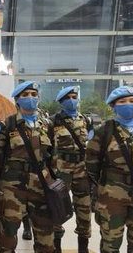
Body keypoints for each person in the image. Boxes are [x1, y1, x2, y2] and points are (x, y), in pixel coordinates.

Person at [0, 81, 56, 252]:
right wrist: (1, 184)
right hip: (12, 188)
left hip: (42, 187)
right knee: (8, 235)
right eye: (25, 95)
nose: (30, 98)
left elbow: (54, 156)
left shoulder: (47, 125)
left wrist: (53, 180)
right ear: (17, 100)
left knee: (46, 235)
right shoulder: (6, 126)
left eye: (33, 95)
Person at [86, 86, 133, 252]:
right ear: (114, 106)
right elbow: (91, 164)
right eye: (122, 101)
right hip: (111, 195)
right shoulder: (104, 131)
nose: (128, 104)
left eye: (132, 101)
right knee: (110, 243)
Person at [49, 86, 92, 253]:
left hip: (82, 170)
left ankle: (83, 245)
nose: (72, 100)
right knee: (57, 206)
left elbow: (91, 143)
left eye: (74, 96)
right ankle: (56, 243)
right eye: (68, 98)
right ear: (61, 102)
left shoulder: (86, 120)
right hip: (61, 170)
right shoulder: (53, 121)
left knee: (84, 207)